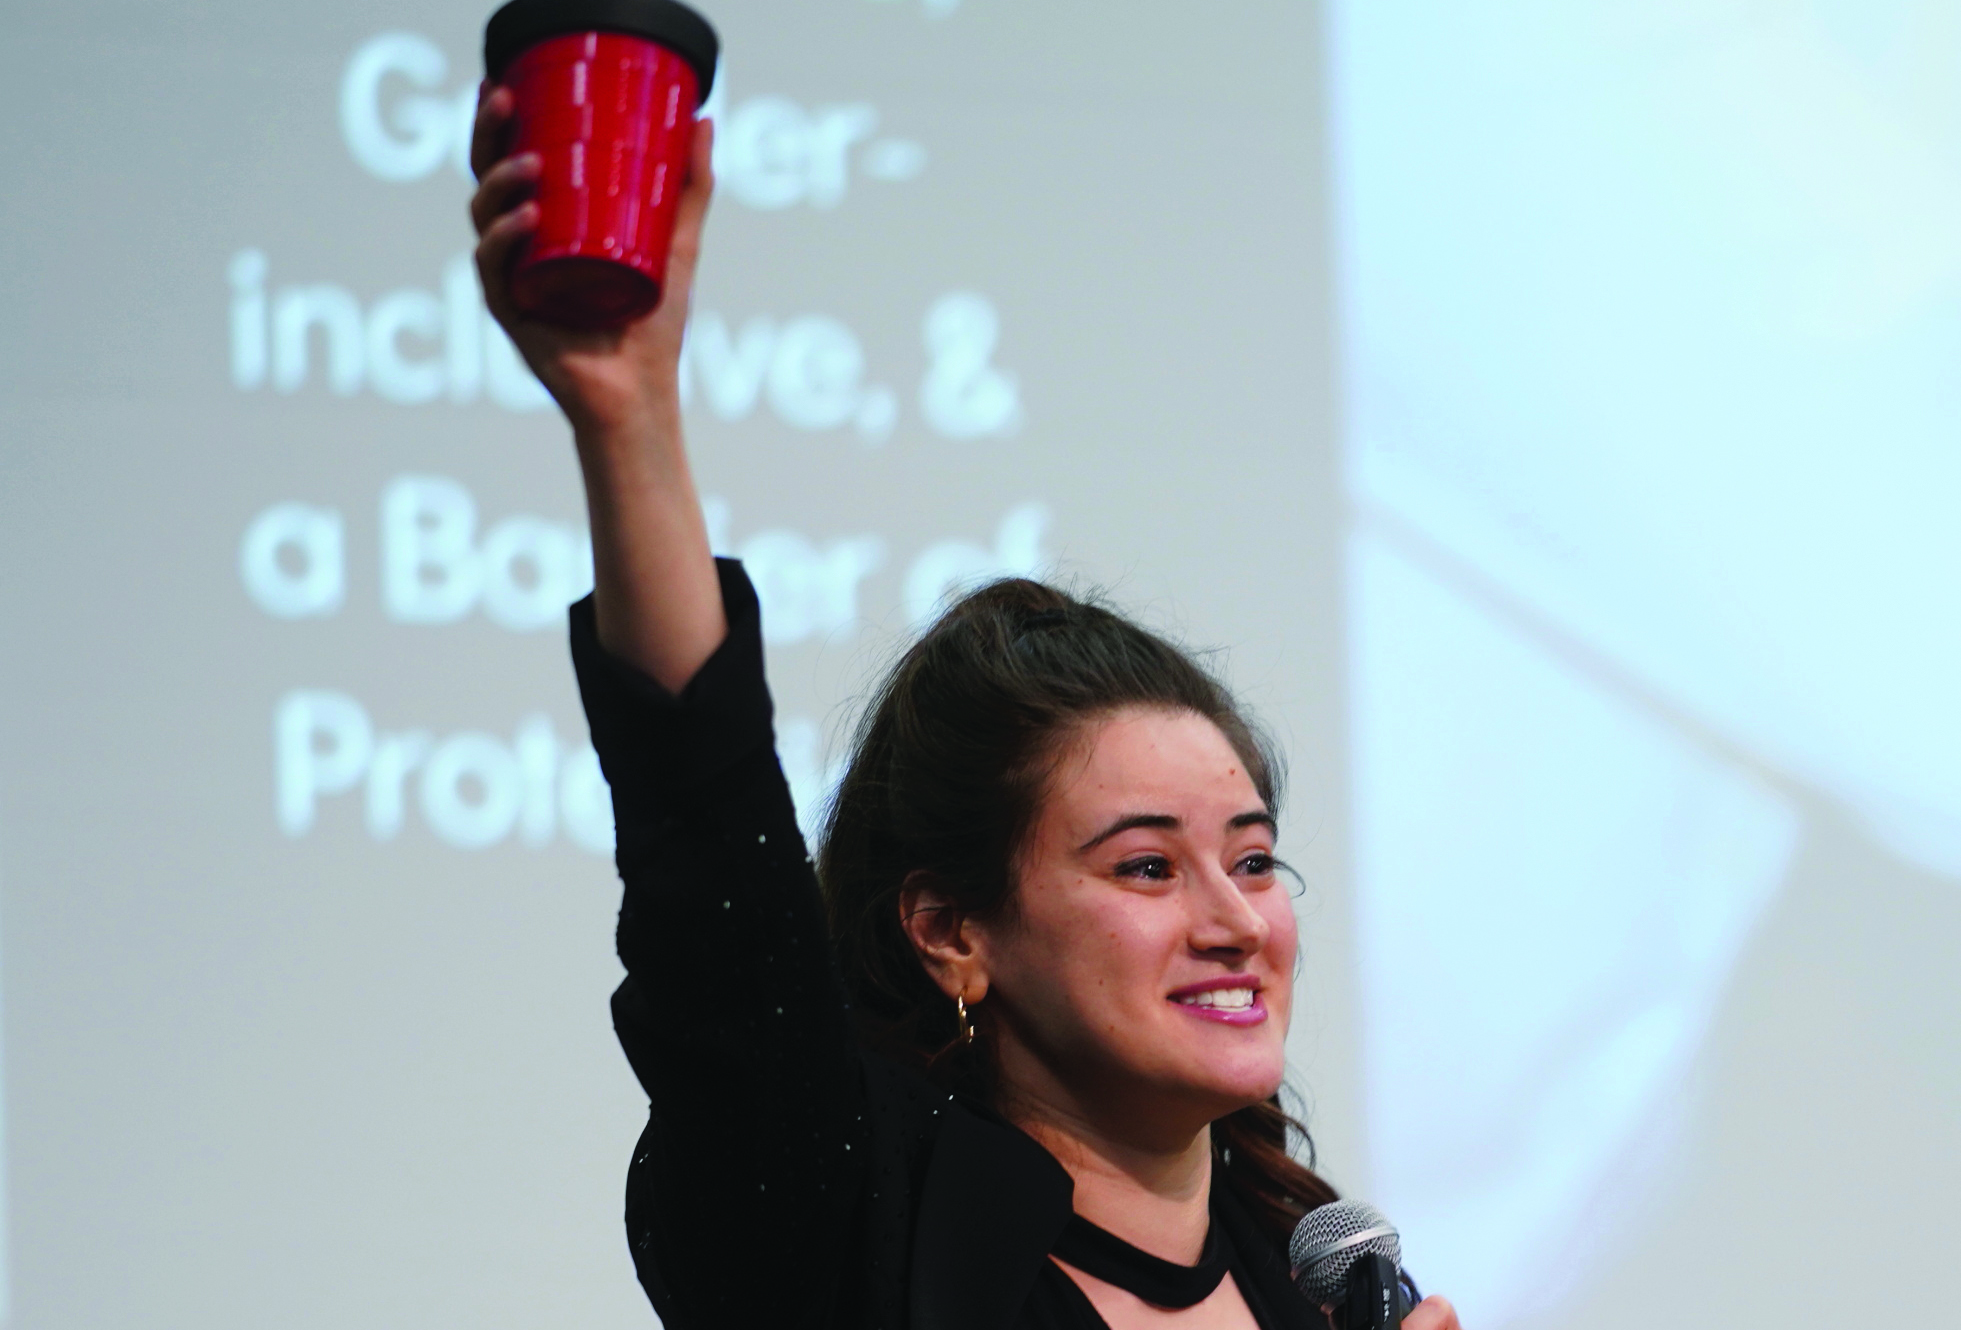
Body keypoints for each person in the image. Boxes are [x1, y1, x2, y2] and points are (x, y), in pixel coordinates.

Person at [468, 82, 1460, 1330]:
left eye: (1254, 859)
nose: (1233, 920)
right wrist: (631, 420)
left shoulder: (1322, 1290)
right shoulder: (860, 1230)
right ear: (951, 930)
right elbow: (706, 845)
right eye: (1147, 866)